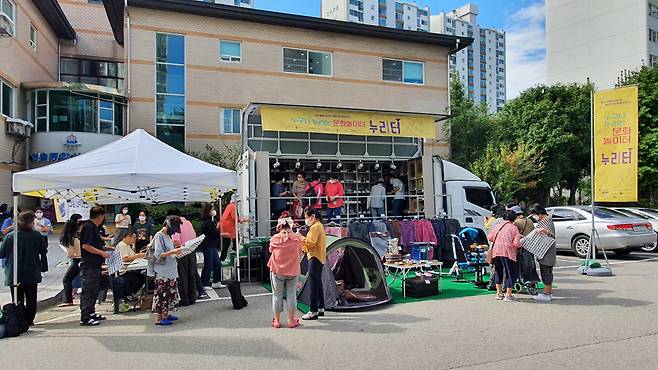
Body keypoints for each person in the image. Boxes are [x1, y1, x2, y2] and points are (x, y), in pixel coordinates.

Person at [0, 211, 45, 327]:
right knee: (31, 298)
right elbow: (43, 250)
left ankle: (20, 319)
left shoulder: (11, 236)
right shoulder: (37, 235)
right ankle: (30, 320)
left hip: (15, 273)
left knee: (17, 298)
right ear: (31, 222)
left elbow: (2, 253)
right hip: (32, 272)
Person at [268, 214, 303, 329]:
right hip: (292, 270)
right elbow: (301, 252)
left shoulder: (275, 238)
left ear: (279, 226)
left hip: (277, 270)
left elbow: (271, 250)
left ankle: (277, 321)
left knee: (277, 295)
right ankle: (291, 320)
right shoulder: (298, 238)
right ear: (291, 225)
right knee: (292, 295)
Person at [79, 206, 112, 326]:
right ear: (100, 217)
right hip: (89, 264)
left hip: (95, 264)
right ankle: (85, 317)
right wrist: (102, 253)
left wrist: (106, 248)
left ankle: (91, 312)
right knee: (88, 290)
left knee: (94, 290)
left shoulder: (94, 228)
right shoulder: (88, 227)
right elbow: (86, 246)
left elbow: (95, 244)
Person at [169, 208, 207, 304]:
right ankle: (192, 297)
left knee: (182, 277)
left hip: (181, 253)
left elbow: (176, 242)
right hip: (191, 251)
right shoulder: (188, 223)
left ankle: (185, 299)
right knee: (192, 275)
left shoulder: (174, 224)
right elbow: (194, 236)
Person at [151, 216, 184, 326]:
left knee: (169, 293)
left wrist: (176, 246)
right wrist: (173, 251)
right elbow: (158, 255)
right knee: (162, 294)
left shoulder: (168, 236)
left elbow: (168, 250)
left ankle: (166, 314)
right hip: (162, 271)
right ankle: (159, 318)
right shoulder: (159, 236)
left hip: (170, 270)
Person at [488, 210, 522, 302]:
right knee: (511, 273)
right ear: (514, 218)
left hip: (496, 251)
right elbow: (516, 244)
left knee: (498, 272)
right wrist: (521, 240)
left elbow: (490, 237)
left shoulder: (498, 226)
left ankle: (499, 293)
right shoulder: (514, 228)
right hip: (508, 252)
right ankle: (508, 295)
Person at [301, 208, 327, 320]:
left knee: (313, 285)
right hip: (319, 257)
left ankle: (313, 310)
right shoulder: (319, 226)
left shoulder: (315, 227)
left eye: (306, 217)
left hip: (314, 257)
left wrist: (301, 238)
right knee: (318, 283)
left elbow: (310, 243)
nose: (306, 220)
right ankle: (320, 307)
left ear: (312, 217)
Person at [530, 204, 556, 302]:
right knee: (545, 272)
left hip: (547, 252)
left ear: (540, 213)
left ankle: (547, 294)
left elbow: (551, 235)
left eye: (534, 214)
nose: (534, 216)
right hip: (543, 252)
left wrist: (545, 231)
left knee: (547, 273)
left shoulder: (547, 221)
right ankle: (547, 293)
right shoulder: (543, 221)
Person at [115, 232, 146, 312]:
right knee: (140, 277)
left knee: (142, 275)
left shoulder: (127, 246)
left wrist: (139, 254)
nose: (134, 239)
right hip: (123, 271)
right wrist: (139, 255)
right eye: (134, 237)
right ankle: (129, 294)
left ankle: (132, 294)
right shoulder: (122, 245)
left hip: (128, 269)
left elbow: (133, 255)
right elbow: (125, 258)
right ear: (128, 237)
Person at [59, 214, 83, 307]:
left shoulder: (70, 238)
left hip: (76, 260)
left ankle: (68, 300)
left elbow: (70, 253)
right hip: (81, 259)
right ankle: (69, 299)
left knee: (66, 279)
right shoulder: (77, 236)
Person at [199, 203, 224, 289]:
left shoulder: (209, 221)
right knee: (209, 264)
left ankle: (216, 281)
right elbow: (214, 233)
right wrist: (217, 227)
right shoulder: (207, 222)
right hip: (208, 245)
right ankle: (204, 283)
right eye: (212, 209)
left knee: (216, 263)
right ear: (209, 211)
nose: (214, 211)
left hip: (210, 245)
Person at [33, 208, 52, 273]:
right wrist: (42, 229)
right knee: (35, 254)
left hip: (43, 238)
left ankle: (43, 269)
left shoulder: (46, 221)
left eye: (40, 212)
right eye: (37, 212)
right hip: (34, 238)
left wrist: (41, 226)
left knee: (43, 254)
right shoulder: (32, 221)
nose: (39, 213)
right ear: (34, 213)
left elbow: (48, 230)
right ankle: (36, 268)